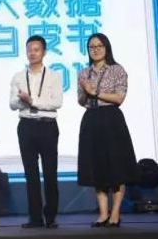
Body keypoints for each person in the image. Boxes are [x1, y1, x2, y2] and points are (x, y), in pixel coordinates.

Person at [77, 33, 138, 228]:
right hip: (91, 119)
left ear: (106, 48)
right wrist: (85, 92)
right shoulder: (84, 73)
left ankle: (116, 213)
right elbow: (81, 101)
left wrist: (95, 92)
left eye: (99, 46)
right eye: (91, 47)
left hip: (112, 119)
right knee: (97, 166)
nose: (95, 50)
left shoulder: (117, 69)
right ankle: (103, 213)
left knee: (117, 166)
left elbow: (119, 97)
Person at [10, 35, 63, 228]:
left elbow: (57, 102)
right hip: (26, 126)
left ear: (44, 52)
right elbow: (12, 104)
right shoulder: (18, 77)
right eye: (29, 50)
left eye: (36, 49)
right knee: (30, 173)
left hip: (47, 126)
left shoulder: (54, 76)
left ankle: (51, 217)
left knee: (50, 171)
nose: (32, 53)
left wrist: (33, 101)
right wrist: (22, 101)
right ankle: (35, 218)